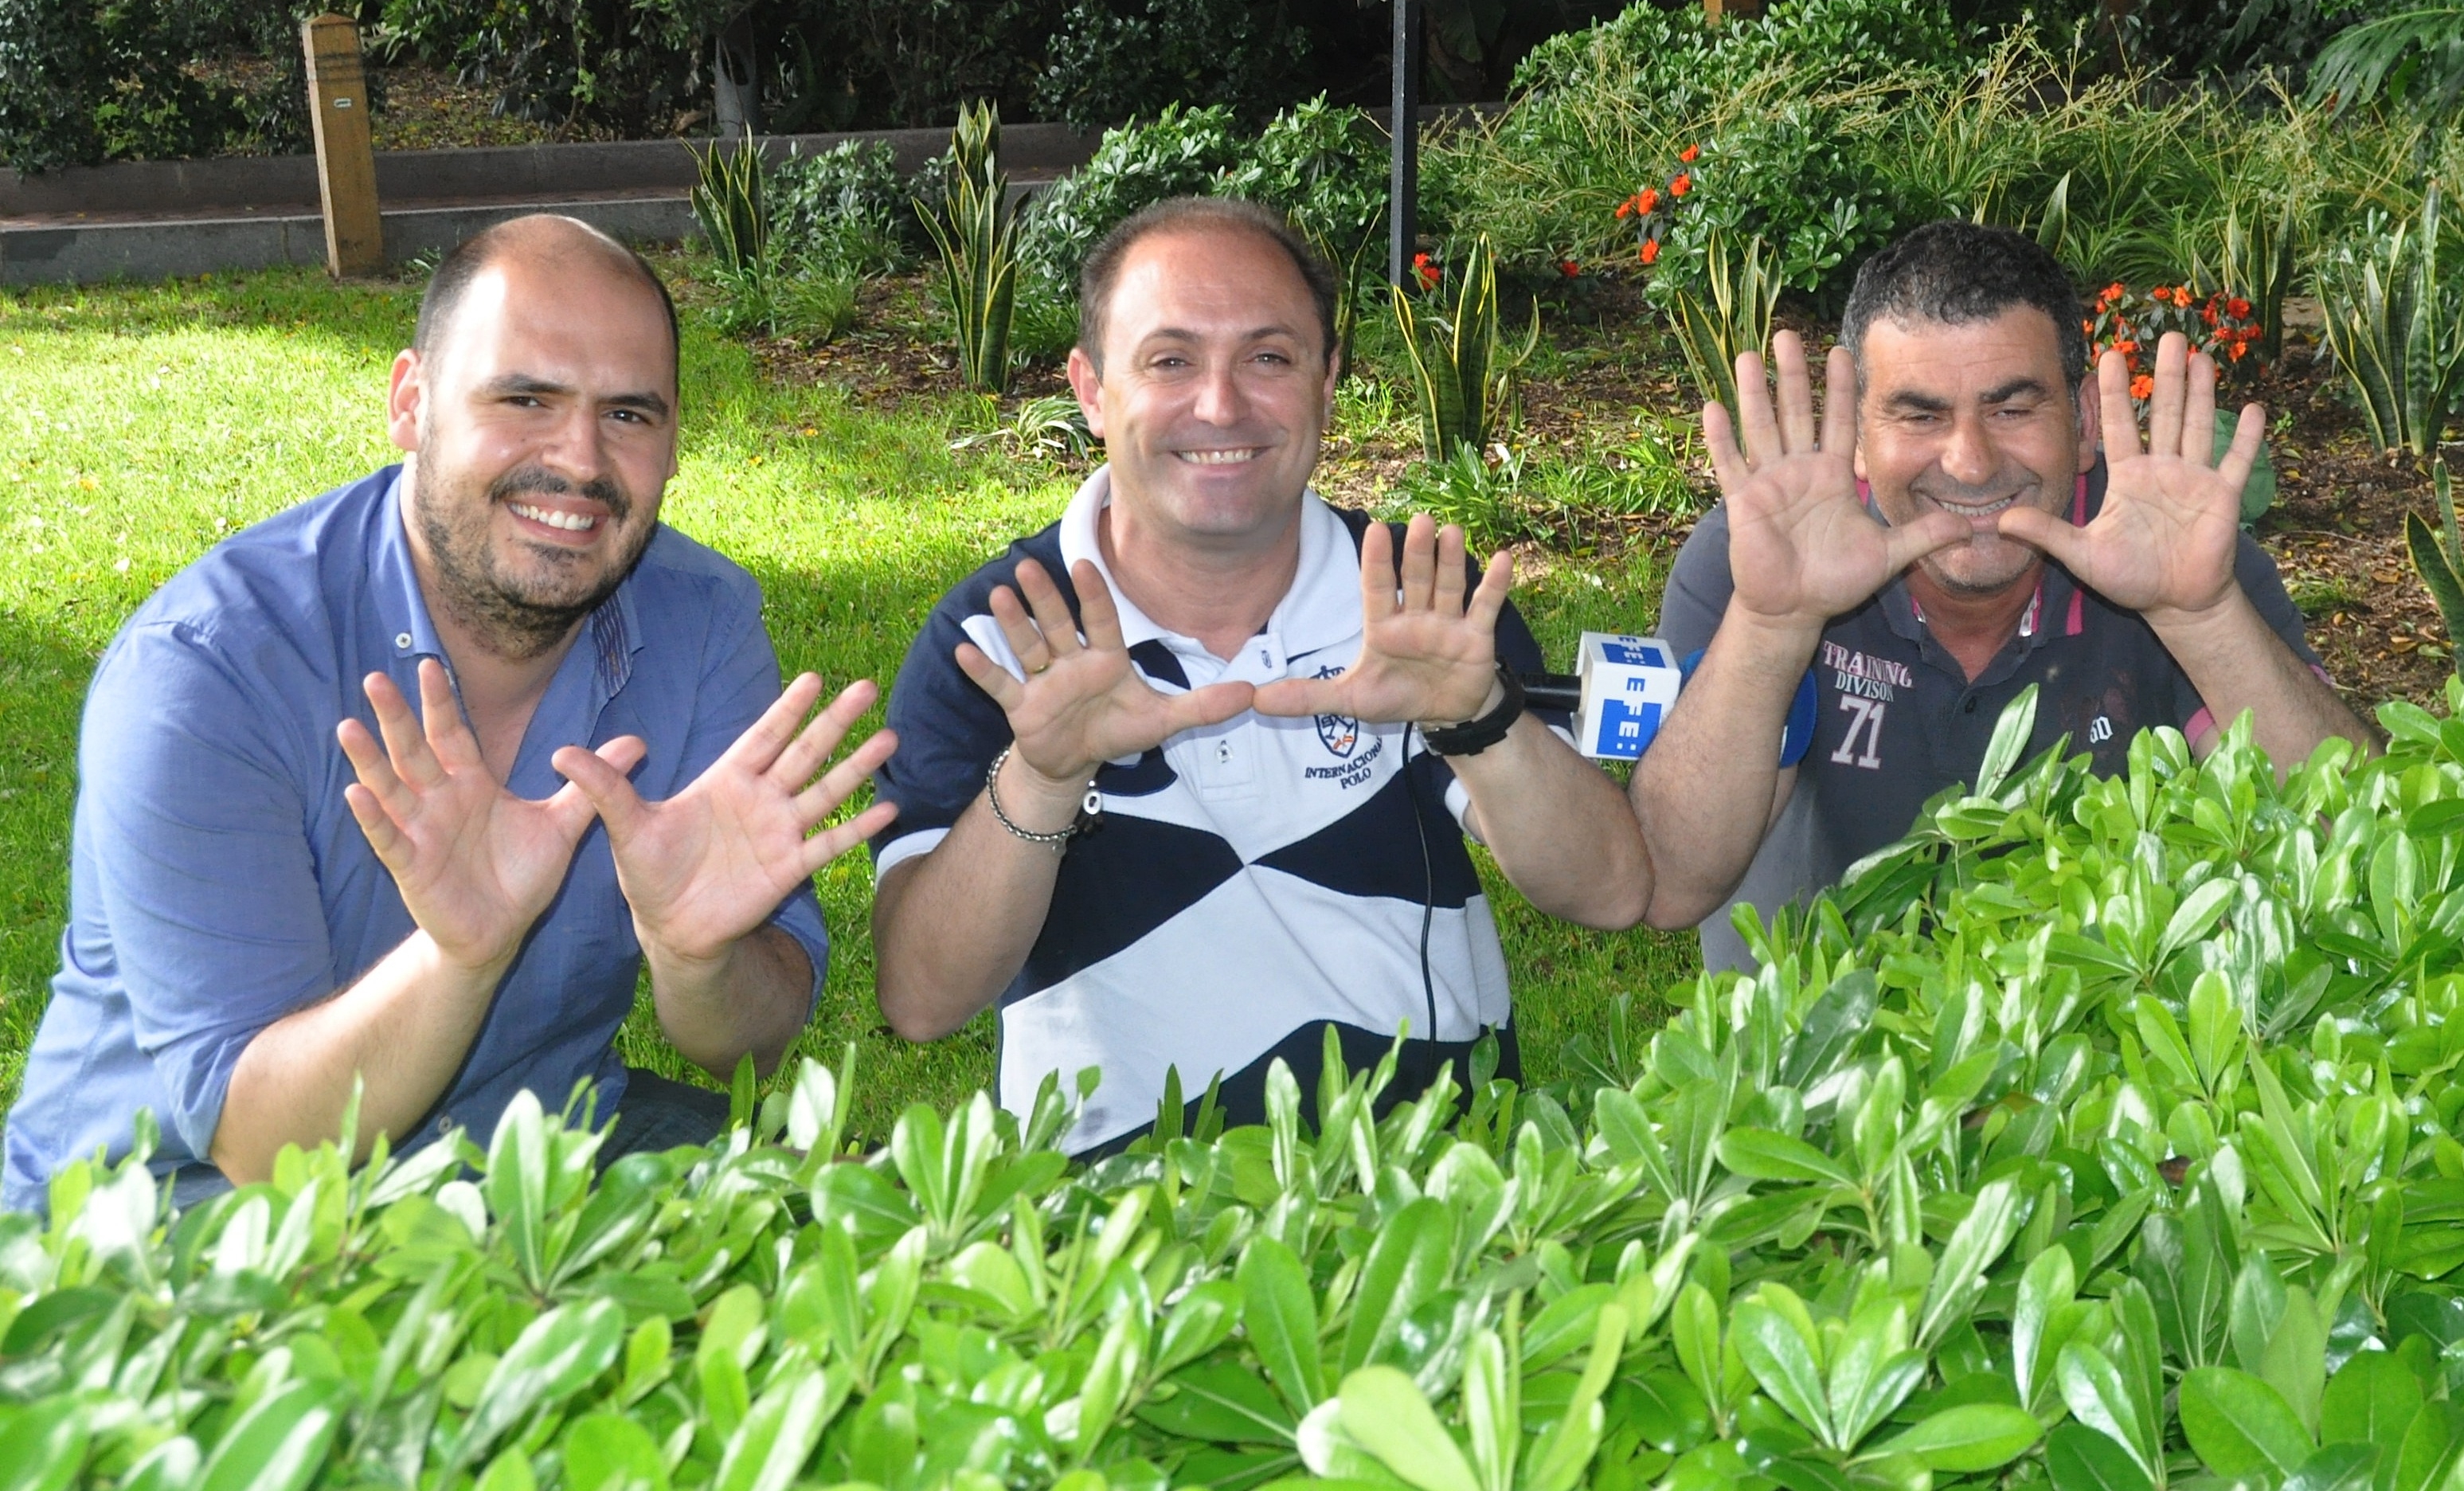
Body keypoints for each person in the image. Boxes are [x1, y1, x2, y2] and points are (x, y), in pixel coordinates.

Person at [2, 214, 894, 1211]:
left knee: (891, 1237)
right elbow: (260, 1144)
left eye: (630, 416)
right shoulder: (211, 671)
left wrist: (700, 957)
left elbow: (753, 1039)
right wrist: (458, 956)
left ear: (676, 439)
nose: (580, 460)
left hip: (541, 1147)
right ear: (410, 403)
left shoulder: (698, 622)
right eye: (526, 397)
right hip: (181, 1215)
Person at [869, 197, 1649, 1153]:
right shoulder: (1001, 633)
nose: (1220, 405)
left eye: (1269, 357)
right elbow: (920, 998)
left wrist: (1477, 718)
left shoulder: (1411, 596)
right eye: (1169, 360)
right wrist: (1041, 775)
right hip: (1114, 1220)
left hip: (1430, 1188)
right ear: (1090, 389)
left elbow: (1609, 891)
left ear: (1326, 383)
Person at [1634, 220, 2372, 970]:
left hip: (2099, 1063)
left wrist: (2203, 616)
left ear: (2083, 422)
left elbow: (2365, 846)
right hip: (1809, 1055)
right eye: (1921, 414)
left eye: (2012, 409)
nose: (1971, 461)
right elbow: (1670, 883)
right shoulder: (1761, 560)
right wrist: (1771, 623)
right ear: (1857, 434)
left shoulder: (2175, 550)